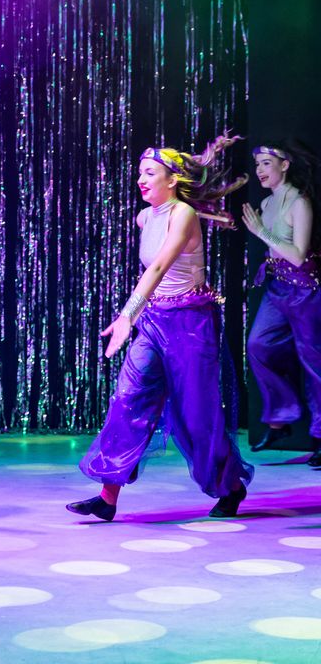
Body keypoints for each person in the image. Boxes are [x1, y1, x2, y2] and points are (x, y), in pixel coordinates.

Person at [68, 135, 253, 522]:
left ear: (172, 179)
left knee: (196, 415)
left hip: (191, 324)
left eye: (150, 173)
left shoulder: (182, 213)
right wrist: (137, 315)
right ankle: (108, 497)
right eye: (139, 173)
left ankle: (230, 487)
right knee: (127, 398)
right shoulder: (145, 217)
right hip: (154, 320)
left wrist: (126, 315)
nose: (141, 179)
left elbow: (157, 267)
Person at [242, 140, 321, 465]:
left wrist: (262, 231)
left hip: (305, 290)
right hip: (277, 287)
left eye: (266, 163)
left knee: (314, 363)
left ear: (284, 165)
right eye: (257, 164)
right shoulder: (267, 201)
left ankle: (320, 436)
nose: (259, 170)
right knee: (258, 345)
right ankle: (280, 417)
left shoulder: (299, 202)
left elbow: (299, 256)